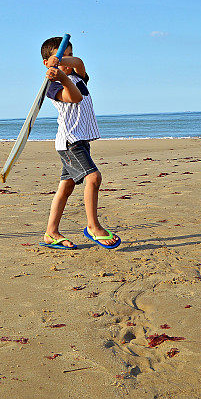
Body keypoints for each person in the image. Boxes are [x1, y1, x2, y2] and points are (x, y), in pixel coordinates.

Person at [39, 36, 121, 250]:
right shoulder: (52, 86)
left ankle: (51, 232)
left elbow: (80, 64)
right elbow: (75, 98)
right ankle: (93, 226)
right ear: (46, 63)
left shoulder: (79, 76)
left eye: (68, 55)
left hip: (81, 140)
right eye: (59, 57)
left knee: (65, 187)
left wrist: (65, 62)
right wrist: (60, 76)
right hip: (70, 142)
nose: (66, 60)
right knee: (93, 177)